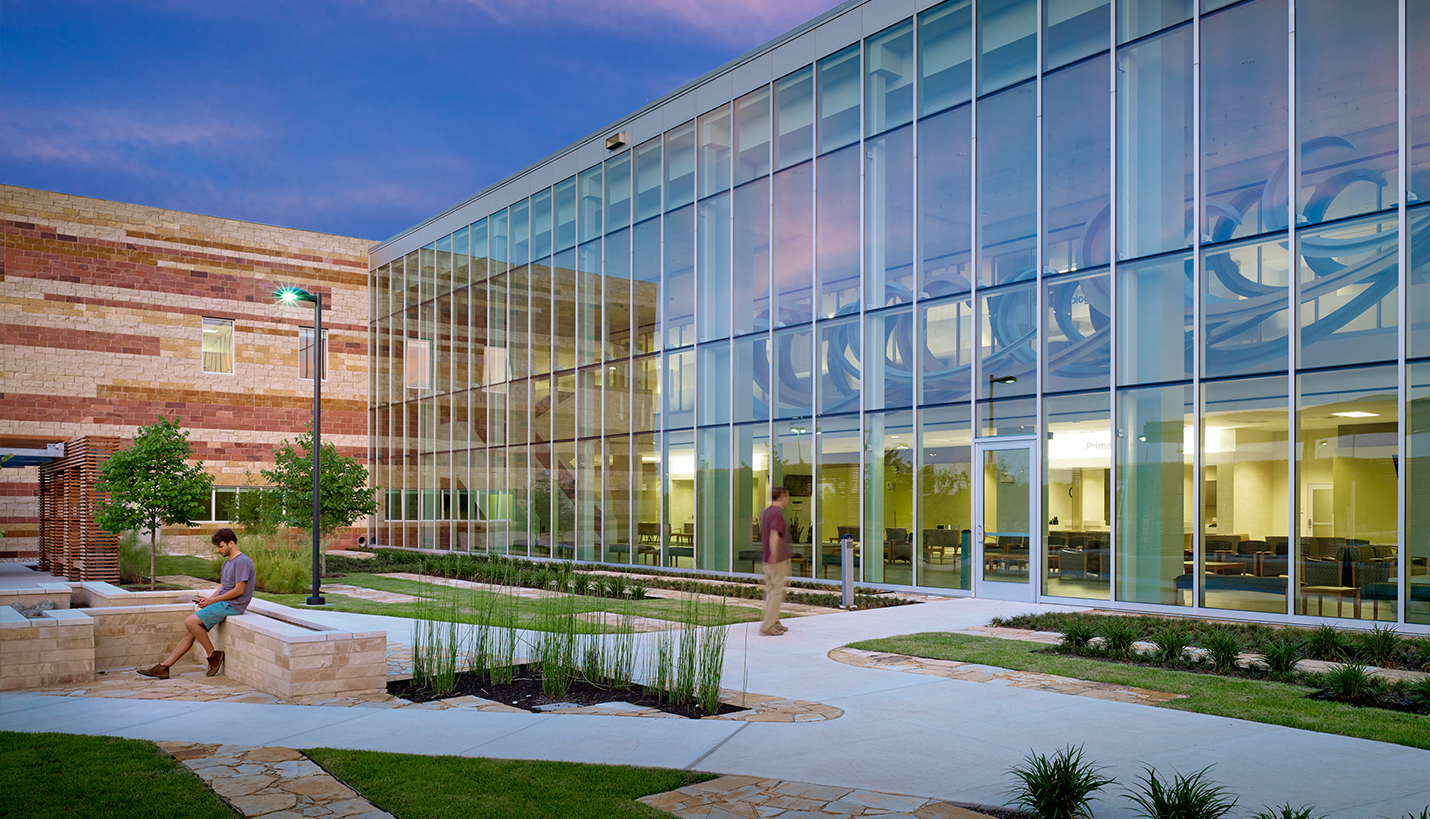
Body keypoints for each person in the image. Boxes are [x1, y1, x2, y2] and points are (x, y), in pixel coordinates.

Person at [137, 528, 255, 680]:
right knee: (190, 630)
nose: (218, 550)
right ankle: (164, 667)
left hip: (232, 605)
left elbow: (239, 590)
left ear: (231, 543)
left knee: (190, 621)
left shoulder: (242, 562)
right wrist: (208, 601)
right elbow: (223, 587)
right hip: (223, 603)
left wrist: (213, 601)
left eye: (221, 546)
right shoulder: (227, 563)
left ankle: (213, 655)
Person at [759, 487, 792, 636]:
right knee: (776, 592)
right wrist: (775, 555)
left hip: (767, 559)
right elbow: (774, 535)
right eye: (787, 496)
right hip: (776, 560)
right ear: (783, 497)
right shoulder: (777, 513)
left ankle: (775, 622)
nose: (788, 499)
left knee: (772, 591)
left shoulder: (767, 512)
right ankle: (768, 626)